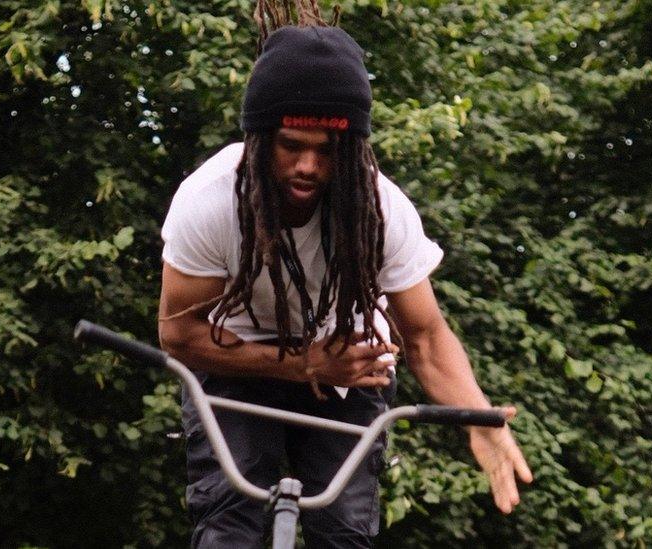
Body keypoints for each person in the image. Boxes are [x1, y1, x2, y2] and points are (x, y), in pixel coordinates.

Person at [158, 16, 532, 549]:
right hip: (232, 357)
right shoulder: (210, 202)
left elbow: (424, 338)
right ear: (260, 138)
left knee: (345, 532)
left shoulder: (379, 210)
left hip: (345, 362)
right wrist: (302, 362)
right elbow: (178, 336)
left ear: (352, 149)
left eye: (329, 150)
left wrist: (479, 419)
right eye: (291, 145)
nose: (308, 165)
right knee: (227, 526)